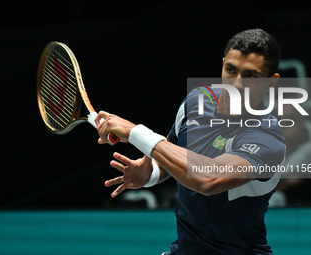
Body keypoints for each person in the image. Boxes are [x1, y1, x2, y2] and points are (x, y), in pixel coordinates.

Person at [95, 28, 286, 255]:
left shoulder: (267, 137)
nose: (236, 84)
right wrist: (151, 174)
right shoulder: (197, 101)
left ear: (271, 82)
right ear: (223, 64)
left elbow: (207, 179)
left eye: (250, 76)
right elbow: (173, 152)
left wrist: (135, 132)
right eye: (231, 70)